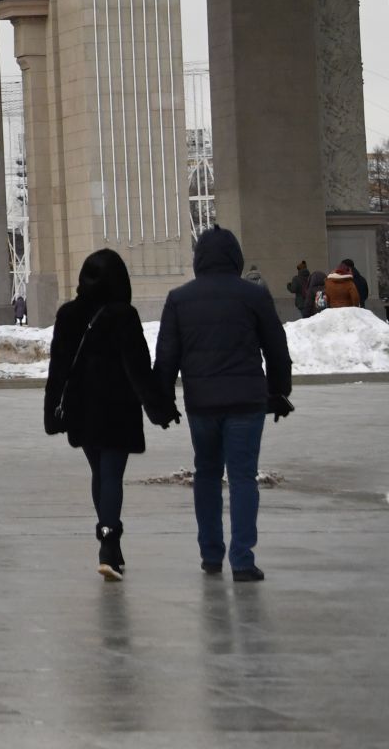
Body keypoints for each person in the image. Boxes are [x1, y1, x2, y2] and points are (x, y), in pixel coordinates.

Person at [155, 227, 292, 583]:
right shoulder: (254, 296)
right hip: (247, 401)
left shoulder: (179, 299)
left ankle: (210, 555)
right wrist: (278, 393)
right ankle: (243, 560)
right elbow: (277, 350)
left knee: (207, 474)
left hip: (202, 404)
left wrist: (163, 403)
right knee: (244, 476)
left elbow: (166, 358)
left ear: (198, 258)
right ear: (235, 257)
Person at [43, 250, 177, 581]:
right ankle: (109, 544)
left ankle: (109, 541)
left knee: (99, 473)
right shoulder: (124, 316)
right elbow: (138, 369)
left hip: (81, 408)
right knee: (112, 475)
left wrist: (52, 413)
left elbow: (58, 368)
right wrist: (160, 409)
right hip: (117, 407)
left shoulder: (68, 314)